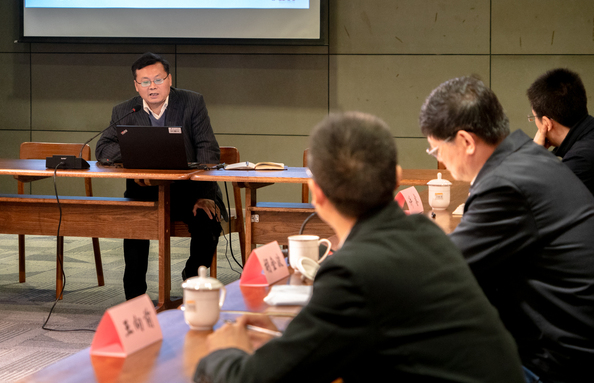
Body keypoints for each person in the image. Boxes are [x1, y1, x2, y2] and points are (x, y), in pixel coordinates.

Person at [194, 112, 525, 383]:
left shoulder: (353, 272)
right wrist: (290, 343)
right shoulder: (426, 233)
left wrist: (223, 350)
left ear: (316, 194)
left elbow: (252, 380)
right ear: (396, 178)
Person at [419, 75, 594, 383]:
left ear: (465, 141)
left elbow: (444, 270)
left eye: (436, 151)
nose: (441, 160)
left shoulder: (505, 184)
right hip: (572, 341)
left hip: (556, 362)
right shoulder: (528, 159)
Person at [96, 52, 226, 300]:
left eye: (158, 79)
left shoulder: (191, 102)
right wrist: (142, 146)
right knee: (135, 224)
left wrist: (205, 195)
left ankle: (191, 277)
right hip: (143, 191)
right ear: (136, 85)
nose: (152, 86)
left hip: (191, 192)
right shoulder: (125, 110)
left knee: (208, 221)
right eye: (145, 81)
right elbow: (103, 150)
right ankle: (135, 297)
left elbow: (208, 150)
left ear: (169, 80)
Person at [527, 67, 594, 202]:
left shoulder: (579, 162)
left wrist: (533, 158)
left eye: (533, 117)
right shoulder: (592, 141)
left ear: (546, 123)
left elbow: (535, 204)